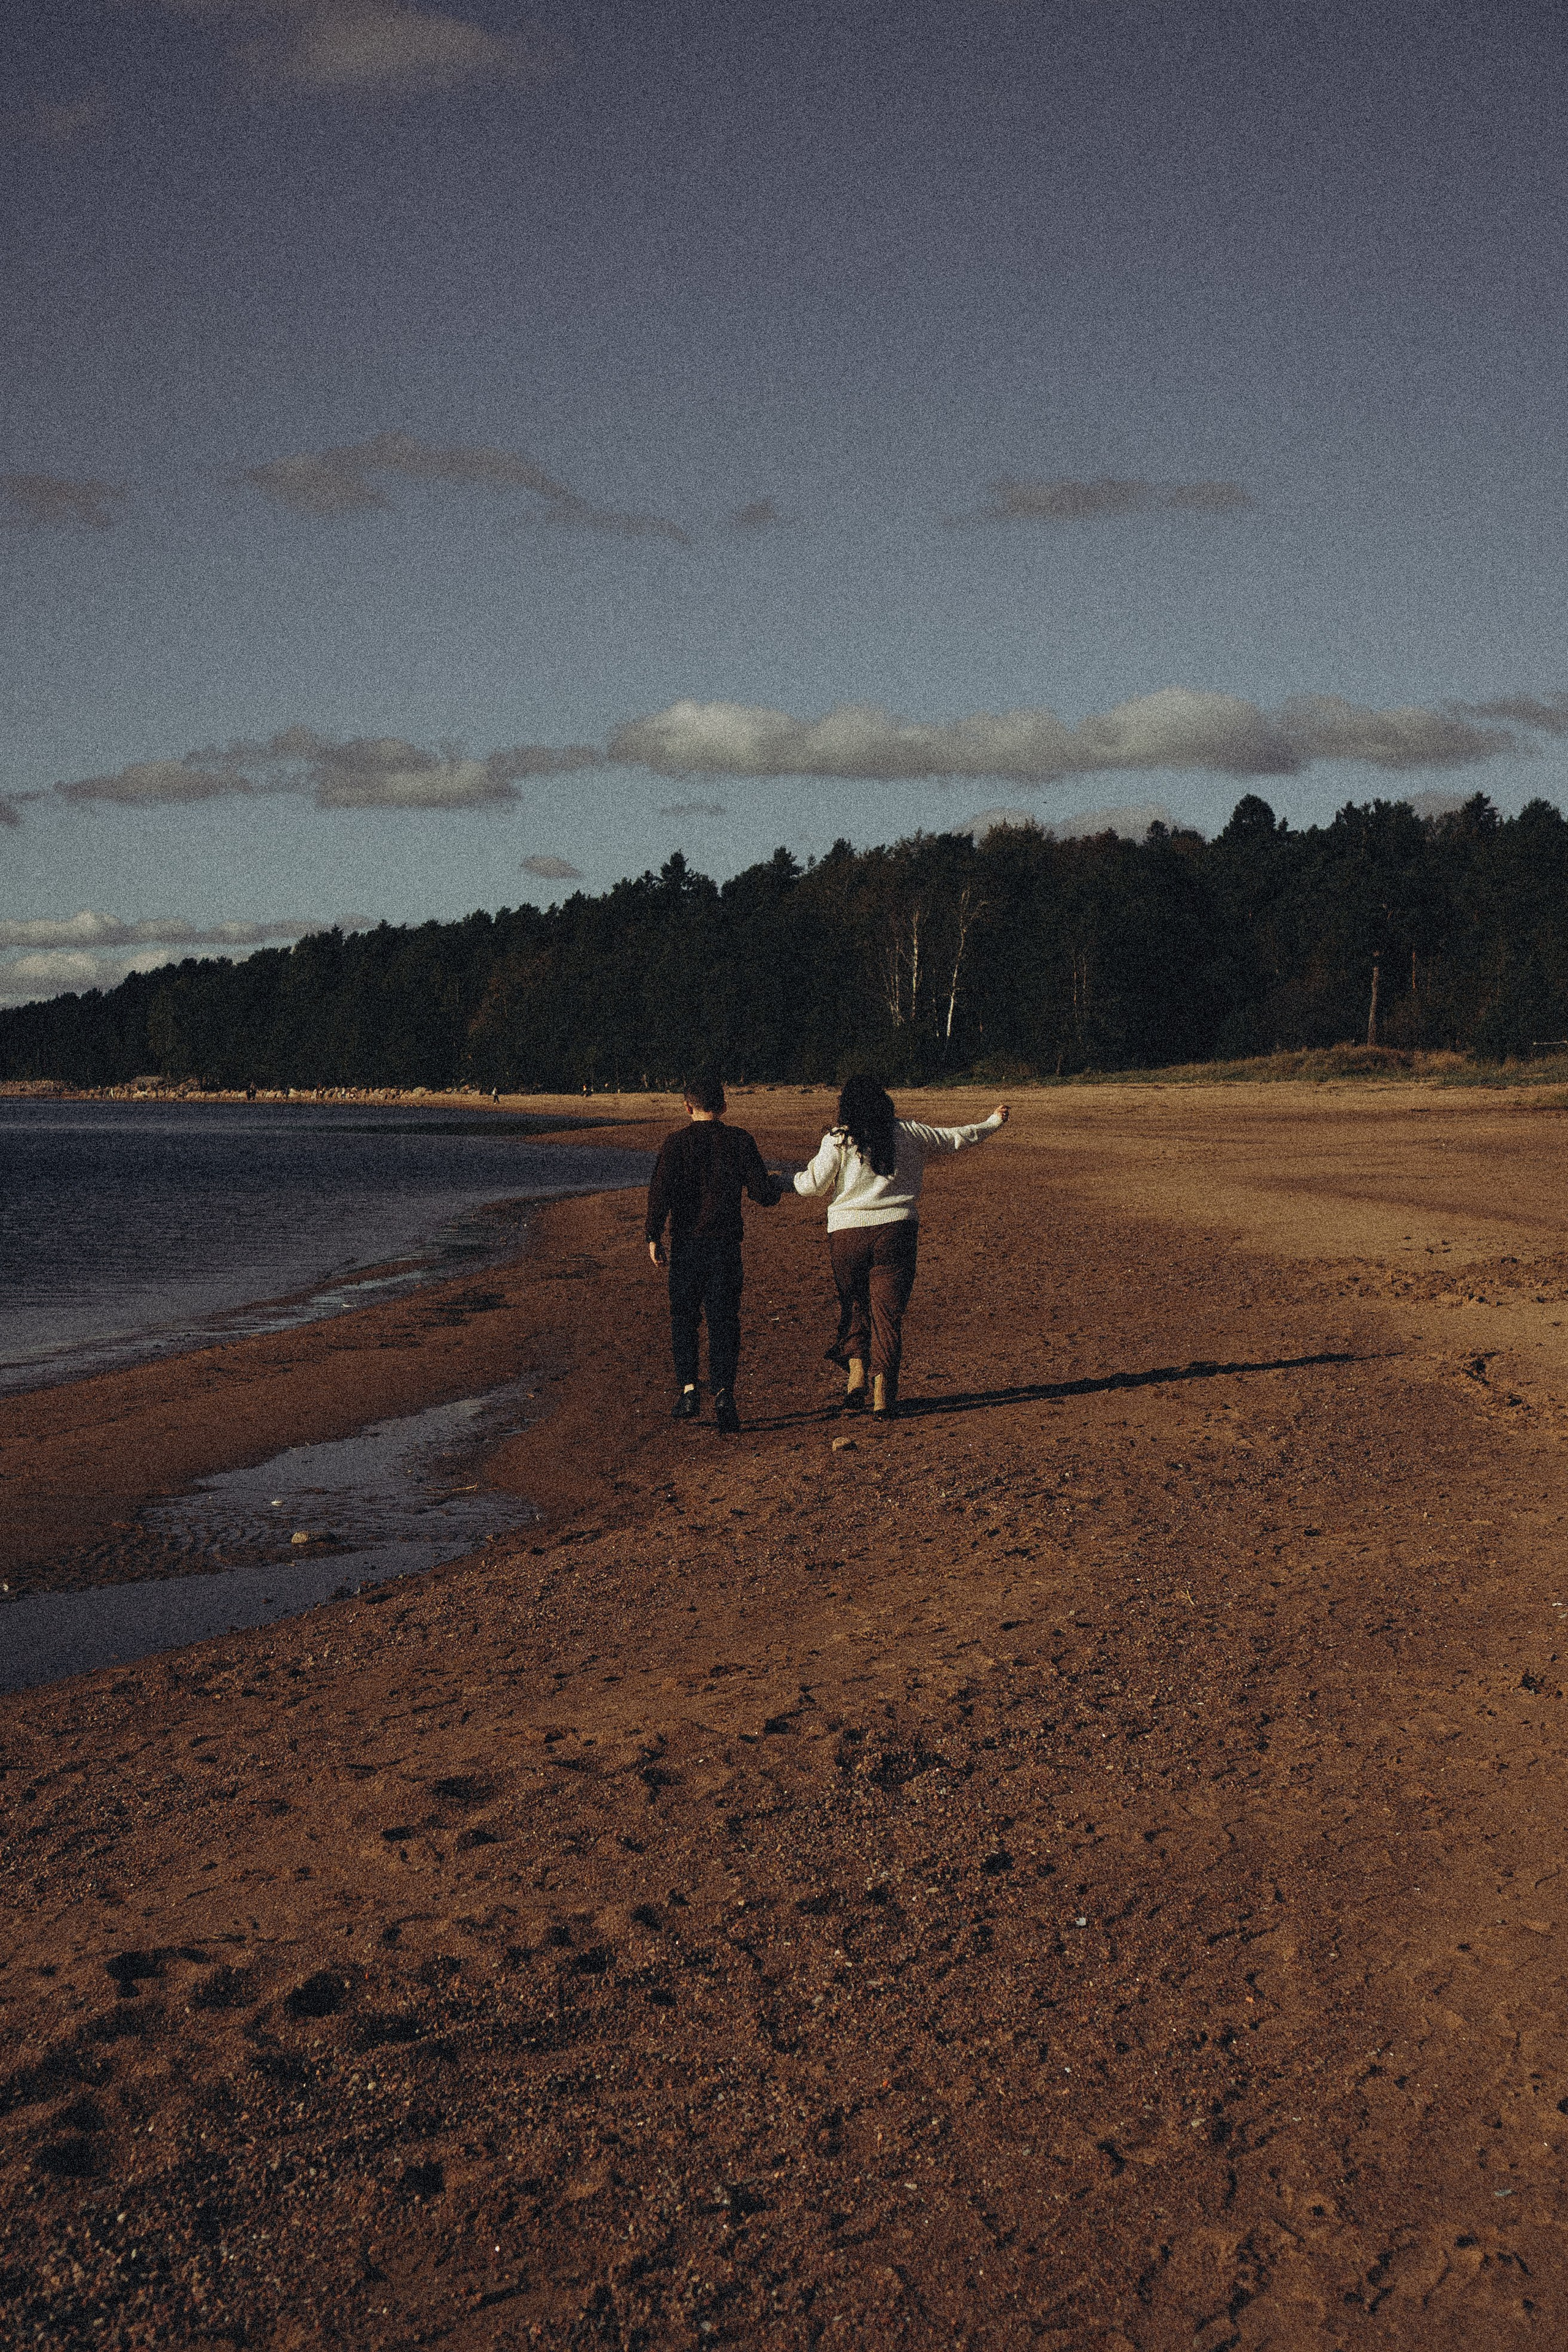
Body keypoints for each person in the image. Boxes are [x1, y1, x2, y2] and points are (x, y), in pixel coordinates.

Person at [793, 1076, 1009, 1417]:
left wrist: (780, 1180)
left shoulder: (837, 1140)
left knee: (854, 1305)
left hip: (847, 1235)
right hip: (897, 1233)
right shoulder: (910, 1132)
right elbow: (957, 1138)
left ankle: (857, 1376)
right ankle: (882, 1394)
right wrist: (992, 1122)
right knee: (888, 1316)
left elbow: (812, 1186)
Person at [646, 1069, 781, 1433]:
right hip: (725, 1247)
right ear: (723, 1106)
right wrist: (779, 1185)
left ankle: (689, 1388)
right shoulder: (739, 1141)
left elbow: (660, 1194)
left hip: (687, 1245)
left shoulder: (675, 1144)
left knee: (684, 1319)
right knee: (724, 1321)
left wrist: (653, 1236)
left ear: (688, 1107)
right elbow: (761, 1194)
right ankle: (724, 1392)